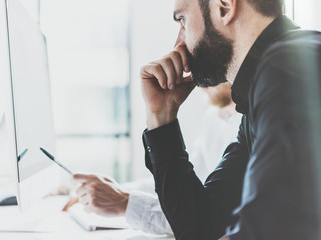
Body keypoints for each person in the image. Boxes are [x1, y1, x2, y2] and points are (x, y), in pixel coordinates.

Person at [140, 0, 321, 239]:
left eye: (182, 20)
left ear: (223, 7)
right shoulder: (266, 85)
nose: (178, 44)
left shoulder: (290, 67)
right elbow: (202, 226)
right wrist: (161, 116)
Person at [63, 82, 241, 236]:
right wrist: (106, 192)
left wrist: (124, 202)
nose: (198, 79)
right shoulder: (214, 117)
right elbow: (182, 183)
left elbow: (205, 218)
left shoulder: (255, 128)